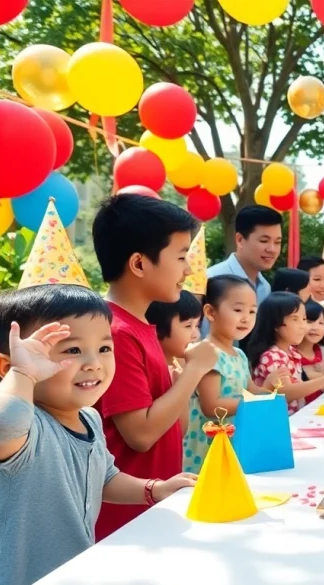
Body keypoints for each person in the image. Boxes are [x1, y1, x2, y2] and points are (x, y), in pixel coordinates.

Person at [0, 286, 195, 585]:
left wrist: (153, 489)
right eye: (72, 350)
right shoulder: (27, 429)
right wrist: (24, 375)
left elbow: (104, 477)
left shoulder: (90, 419)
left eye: (104, 348)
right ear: (8, 367)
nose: (94, 363)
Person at [91, 194, 220, 540]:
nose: (188, 269)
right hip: (124, 519)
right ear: (138, 263)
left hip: (152, 507)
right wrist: (194, 372)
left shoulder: (140, 327)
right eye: (180, 257)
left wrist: (180, 380)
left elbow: (171, 428)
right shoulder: (115, 333)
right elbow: (142, 435)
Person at [183, 276, 276, 473]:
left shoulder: (240, 354)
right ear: (210, 312)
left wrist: (268, 390)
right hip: (209, 444)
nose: (246, 318)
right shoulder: (207, 353)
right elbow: (211, 405)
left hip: (235, 438)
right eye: (238, 310)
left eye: (252, 311)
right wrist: (253, 403)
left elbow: (250, 390)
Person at [248, 293, 324, 414]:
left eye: (304, 319)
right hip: (278, 422)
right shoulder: (272, 356)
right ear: (276, 324)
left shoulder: (291, 351)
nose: (303, 326)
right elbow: (286, 393)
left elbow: (299, 386)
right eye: (295, 319)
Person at [201, 205, 283, 337]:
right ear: (240, 240)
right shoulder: (209, 280)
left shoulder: (265, 288)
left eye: (278, 242)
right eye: (264, 241)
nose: (272, 249)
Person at [145, 290, 203, 376]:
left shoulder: (179, 364)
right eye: (188, 326)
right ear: (158, 329)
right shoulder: (153, 371)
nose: (196, 335)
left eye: (197, 325)